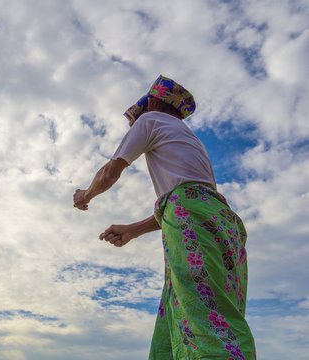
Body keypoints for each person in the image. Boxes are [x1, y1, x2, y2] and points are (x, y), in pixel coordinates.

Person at [73, 75, 256, 359]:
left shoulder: (150, 120)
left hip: (191, 218)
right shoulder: (188, 137)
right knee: (183, 308)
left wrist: (86, 195)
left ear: (154, 102)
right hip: (223, 223)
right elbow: (185, 200)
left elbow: (111, 172)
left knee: (205, 315)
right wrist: (133, 230)